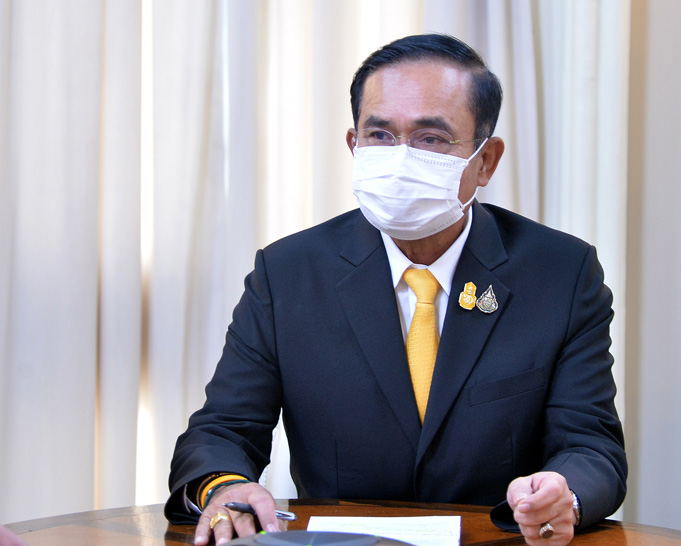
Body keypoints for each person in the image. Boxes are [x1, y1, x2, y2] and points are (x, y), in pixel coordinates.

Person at [166, 34, 626, 546]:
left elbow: (591, 447)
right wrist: (225, 486)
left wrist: (564, 493)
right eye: (380, 135)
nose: (401, 158)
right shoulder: (288, 273)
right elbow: (221, 431)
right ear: (353, 145)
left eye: (431, 138)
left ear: (486, 161)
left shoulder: (561, 274)